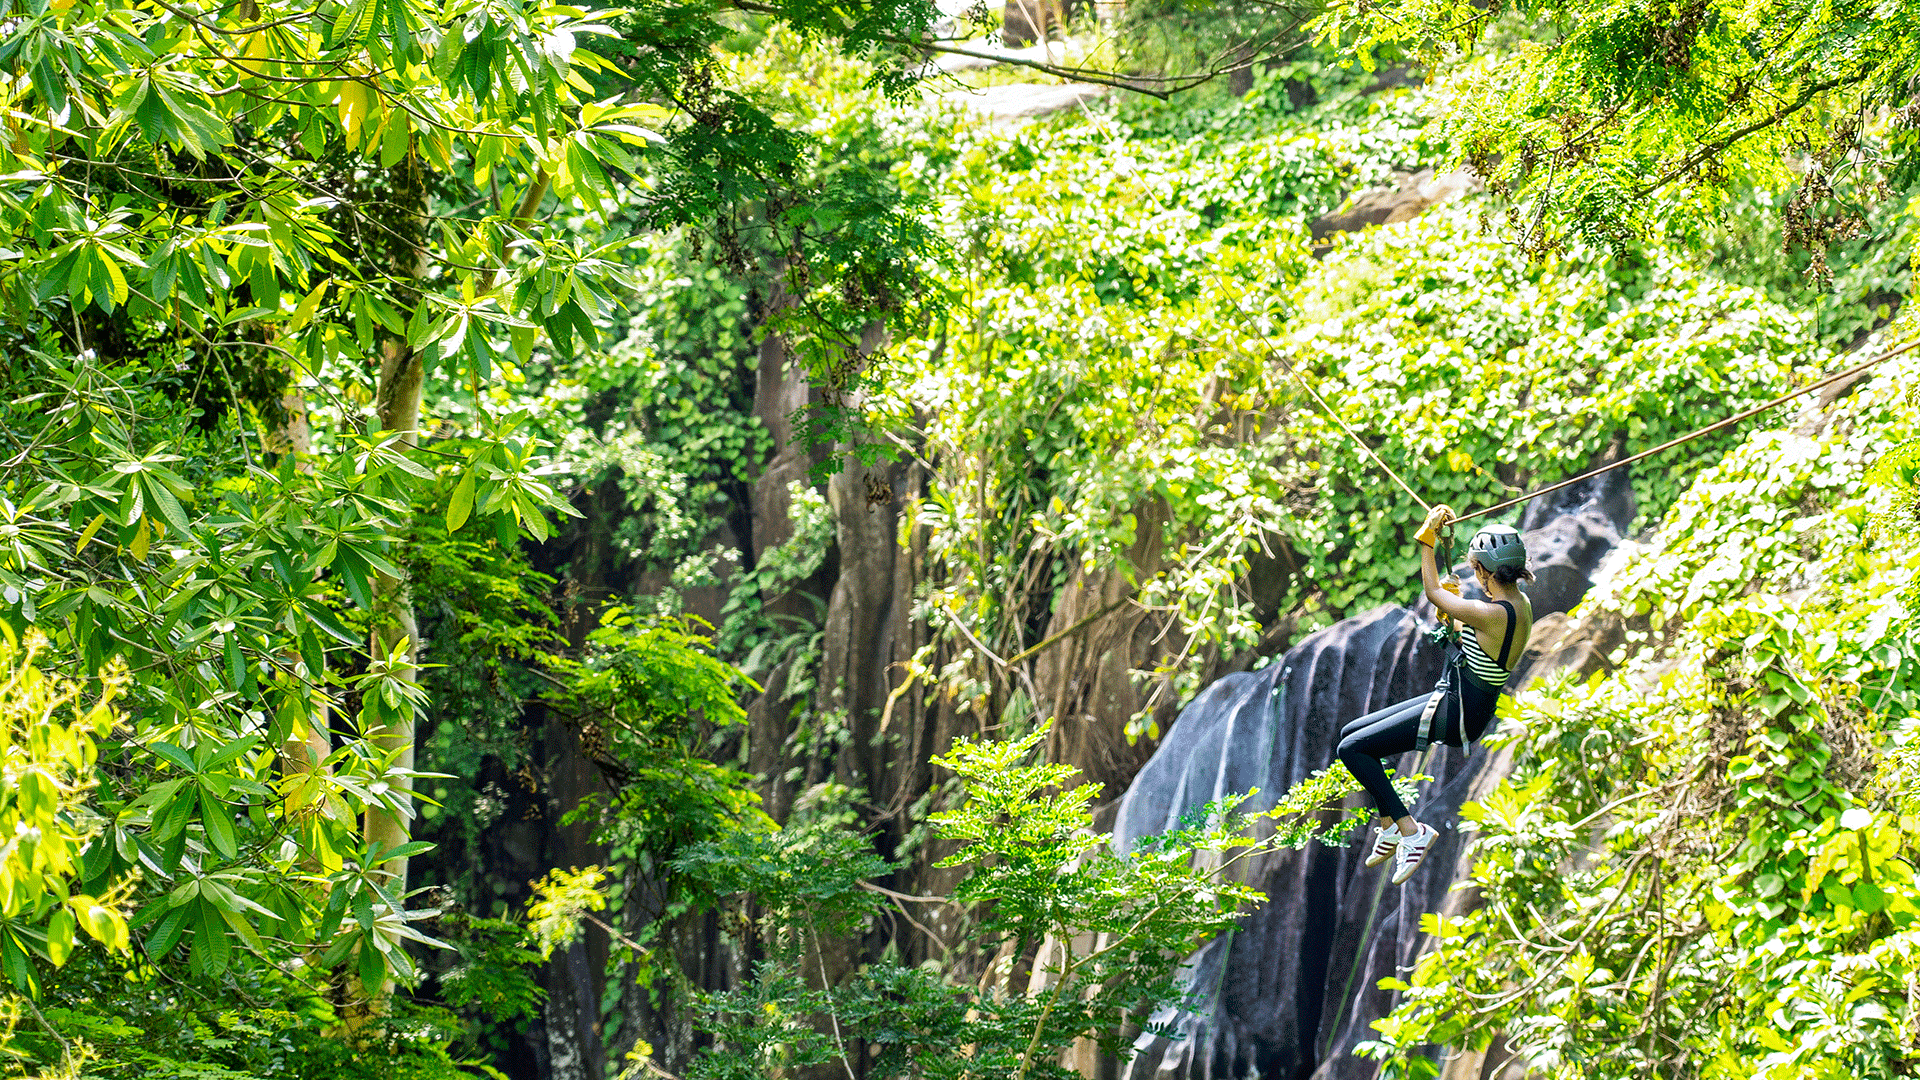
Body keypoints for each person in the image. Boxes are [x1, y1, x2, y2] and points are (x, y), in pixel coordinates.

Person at [1334, 504, 1534, 885]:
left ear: (1482, 570)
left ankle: (1411, 831)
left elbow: (1431, 591)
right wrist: (1458, 617)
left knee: (1352, 749)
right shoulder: (1516, 606)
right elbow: (1480, 645)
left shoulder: (1489, 613)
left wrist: (1428, 539)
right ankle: (1390, 822)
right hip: (1464, 702)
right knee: (1351, 733)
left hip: (1456, 708)